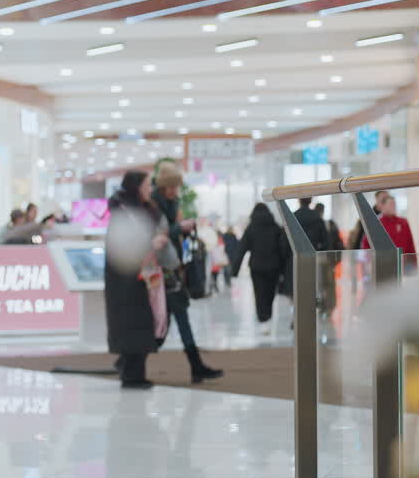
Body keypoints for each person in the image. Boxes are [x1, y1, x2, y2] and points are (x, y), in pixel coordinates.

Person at [150, 164, 223, 383]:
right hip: (160, 269)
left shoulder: (172, 204)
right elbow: (157, 235)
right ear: (163, 186)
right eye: (171, 186)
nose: (175, 190)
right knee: (168, 320)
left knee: (178, 317)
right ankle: (130, 360)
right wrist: (179, 228)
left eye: (176, 186)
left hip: (172, 268)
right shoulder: (154, 206)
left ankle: (196, 365)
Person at [105, 171, 167, 390]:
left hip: (138, 277)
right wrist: (152, 244)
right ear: (136, 187)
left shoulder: (135, 209)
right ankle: (132, 374)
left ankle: (131, 370)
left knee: (142, 324)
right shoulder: (125, 212)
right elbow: (126, 246)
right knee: (133, 325)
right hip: (127, 281)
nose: (150, 189)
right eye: (147, 185)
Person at [232, 203, 291, 332]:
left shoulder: (251, 228)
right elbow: (283, 248)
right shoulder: (276, 228)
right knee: (270, 293)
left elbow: (241, 249)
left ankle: (263, 319)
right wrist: (284, 267)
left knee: (259, 294)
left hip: (256, 267)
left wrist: (234, 270)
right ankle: (267, 316)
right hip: (273, 267)